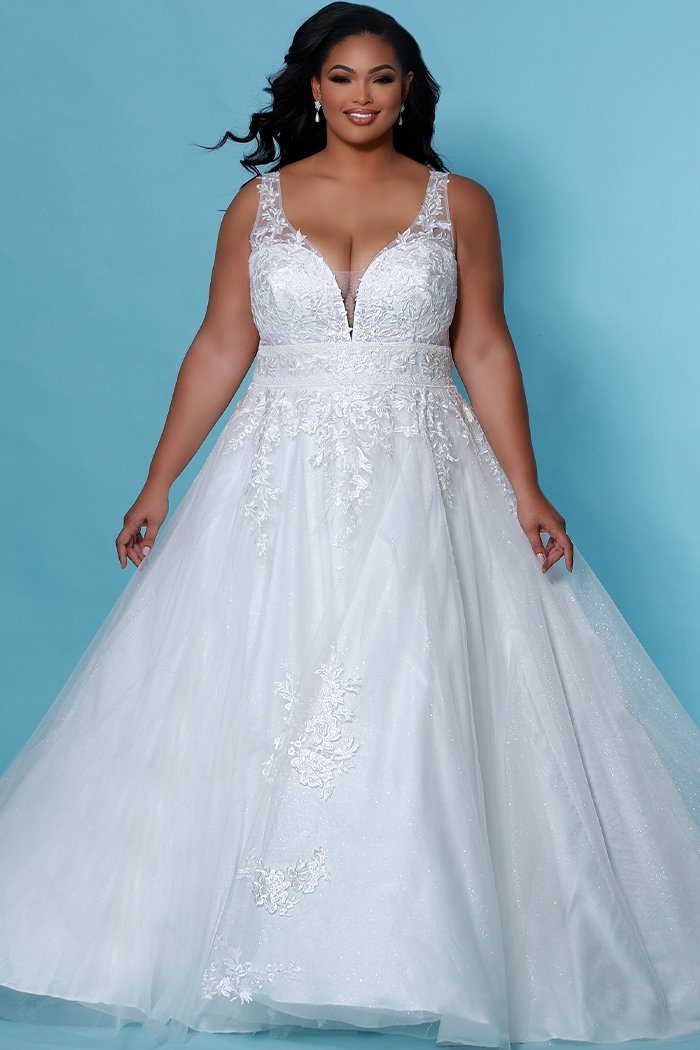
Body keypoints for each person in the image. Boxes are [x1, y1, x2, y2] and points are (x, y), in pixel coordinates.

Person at [1, 3, 699, 1048]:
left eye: (381, 76)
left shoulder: (460, 203)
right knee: (258, 678)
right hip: (272, 478)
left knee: (411, 690)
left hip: (423, 474)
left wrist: (527, 487)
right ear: (312, 89)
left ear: (408, 90)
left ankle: (407, 947)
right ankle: (251, 945)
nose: (361, 95)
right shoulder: (259, 204)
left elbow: (484, 347)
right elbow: (221, 344)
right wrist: (159, 479)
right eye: (341, 77)